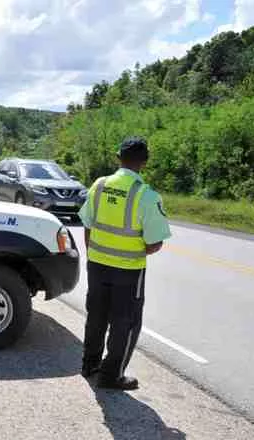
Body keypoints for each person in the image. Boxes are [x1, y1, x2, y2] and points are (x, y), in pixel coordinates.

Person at [78, 136, 171, 390]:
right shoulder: (147, 196)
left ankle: (90, 365)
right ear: (144, 162)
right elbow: (154, 243)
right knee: (125, 323)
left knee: (96, 316)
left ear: (118, 158)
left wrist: (95, 253)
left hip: (96, 264)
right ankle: (111, 376)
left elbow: (87, 224)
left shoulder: (99, 184)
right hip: (128, 271)